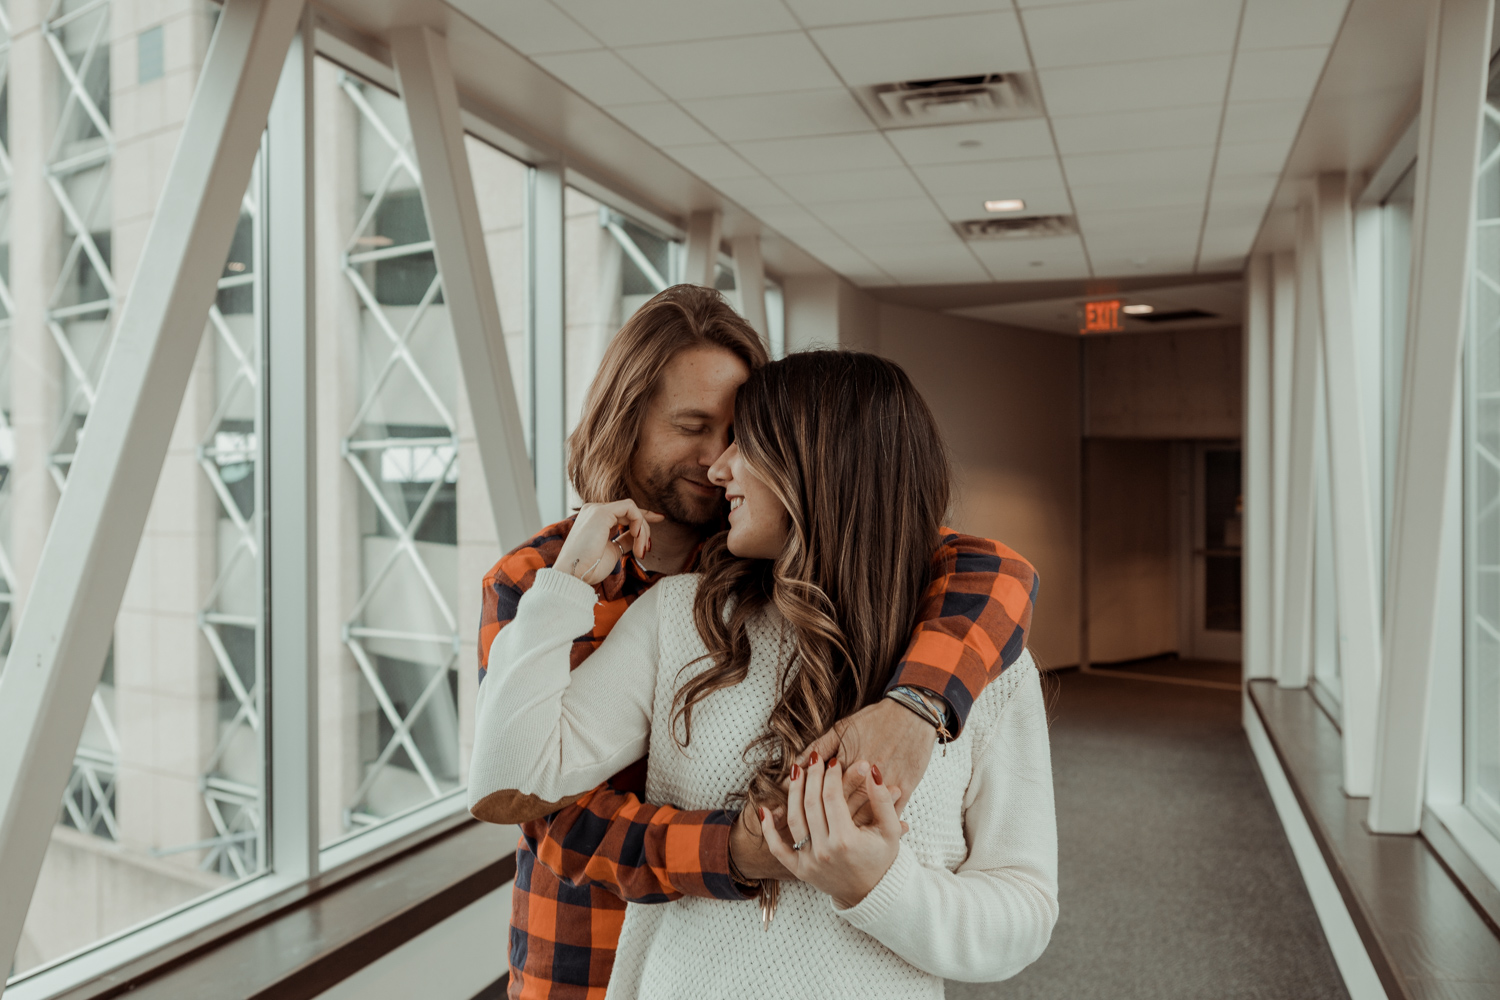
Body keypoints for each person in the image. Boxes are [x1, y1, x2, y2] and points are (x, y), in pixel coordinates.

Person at [474, 285, 1038, 998]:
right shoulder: (550, 583)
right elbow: (542, 809)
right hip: (590, 949)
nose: (717, 462)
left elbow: (994, 569)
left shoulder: (764, 557)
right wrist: (742, 848)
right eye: (692, 426)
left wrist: (916, 705)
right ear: (627, 422)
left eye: (740, 434)